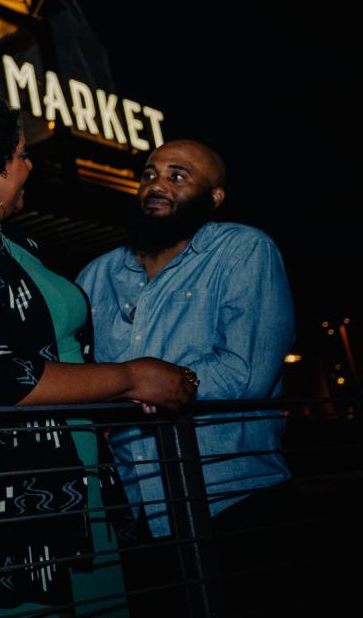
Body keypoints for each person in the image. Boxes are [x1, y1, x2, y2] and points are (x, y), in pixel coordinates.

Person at [0, 92, 196, 617]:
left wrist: (113, 393)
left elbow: (56, 352)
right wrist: (129, 378)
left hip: (72, 482)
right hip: (7, 500)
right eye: (22, 154)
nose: (31, 166)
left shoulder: (16, 242)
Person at [76, 139, 295, 614]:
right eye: (150, 174)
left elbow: (247, 372)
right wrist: (127, 385)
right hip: (138, 513)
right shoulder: (97, 275)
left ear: (214, 197)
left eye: (178, 176)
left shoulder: (244, 250)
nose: (157, 185)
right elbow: (85, 377)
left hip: (235, 501)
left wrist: (132, 384)